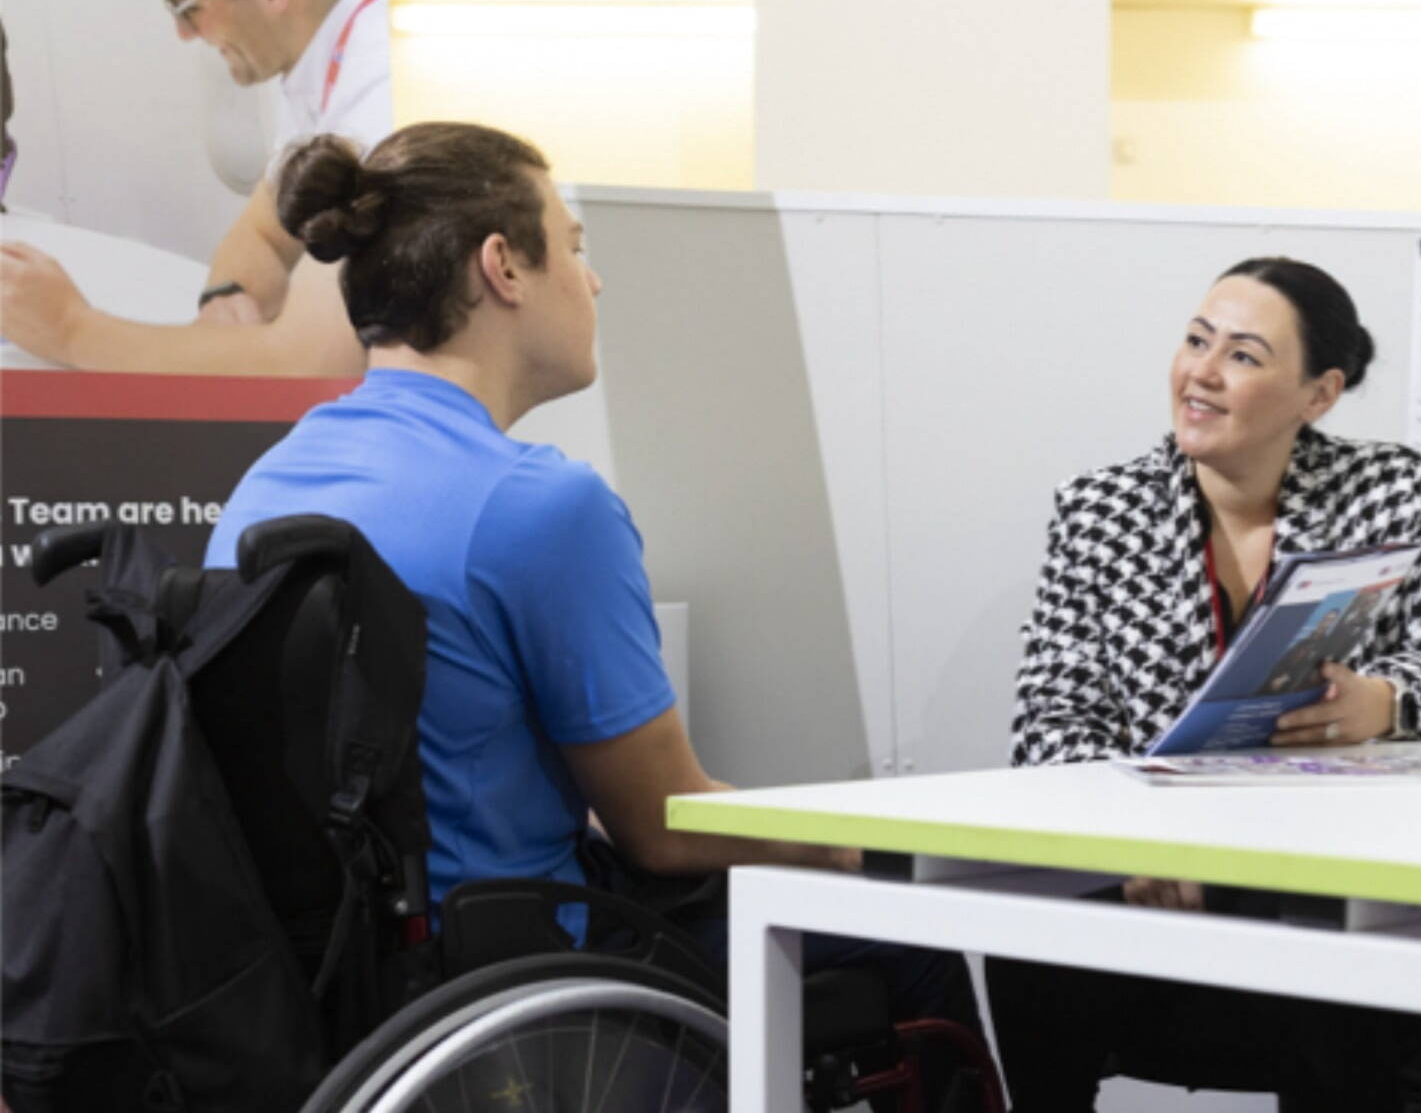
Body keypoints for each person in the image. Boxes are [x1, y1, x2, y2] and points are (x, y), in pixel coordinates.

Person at [202, 124, 980, 1094]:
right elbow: (662, 824)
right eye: (571, 245)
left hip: (343, 995)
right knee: (921, 940)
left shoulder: (264, 489)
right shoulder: (539, 505)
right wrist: (866, 841)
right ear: (503, 268)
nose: (593, 280)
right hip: (519, 983)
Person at [988, 256, 1421, 1110]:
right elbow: (1053, 718)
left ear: (1319, 394)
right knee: (1028, 927)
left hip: (1321, 864)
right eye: (1197, 340)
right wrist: (1130, 837)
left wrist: (1382, 702)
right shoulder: (1099, 510)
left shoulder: (1381, 487)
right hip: (1156, 866)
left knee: (1330, 945)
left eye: (1242, 354)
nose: (1201, 371)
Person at [0, 0, 388, 375]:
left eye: (188, 8)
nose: (184, 34)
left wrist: (69, 328)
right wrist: (228, 296)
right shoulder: (322, 65)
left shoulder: (374, 105)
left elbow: (310, 359)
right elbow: (264, 230)